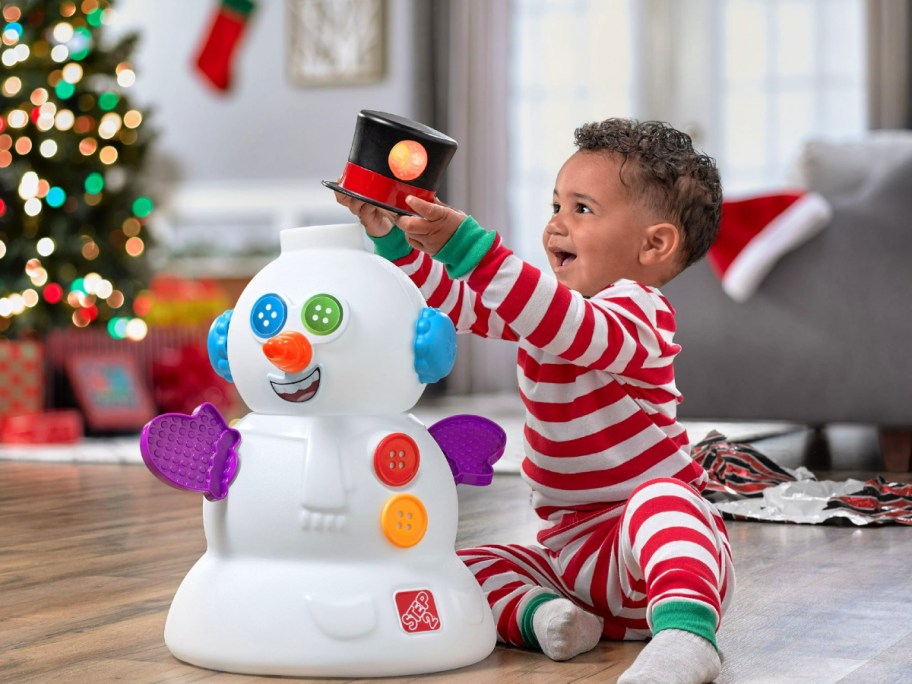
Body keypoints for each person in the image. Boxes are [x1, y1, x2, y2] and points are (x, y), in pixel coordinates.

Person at [335, 118, 735, 684]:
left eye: (582, 209)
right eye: (555, 205)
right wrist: (395, 240)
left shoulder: (640, 313)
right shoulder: (543, 312)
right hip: (570, 554)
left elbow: (567, 325)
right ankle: (549, 619)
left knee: (668, 504)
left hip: (646, 550)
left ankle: (687, 637)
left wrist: (467, 246)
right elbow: (454, 302)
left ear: (655, 244)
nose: (555, 225)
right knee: (459, 566)